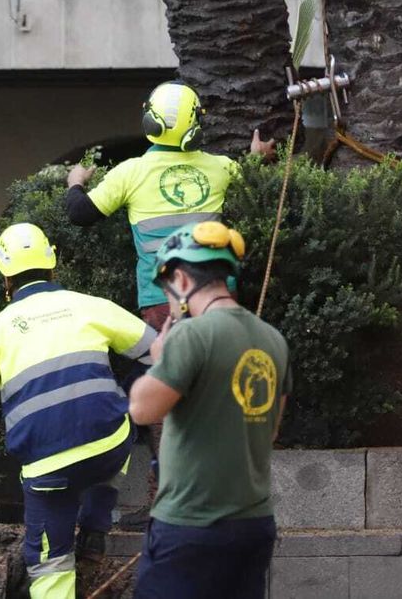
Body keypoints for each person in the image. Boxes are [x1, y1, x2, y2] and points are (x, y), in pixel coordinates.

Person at [0, 223, 157, 599]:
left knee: (50, 564)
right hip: (108, 445)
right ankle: (95, 527)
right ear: (52, 264)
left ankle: (66, 563)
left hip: (47, 469)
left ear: (4, 277)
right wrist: (126, 398)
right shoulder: (90, 305)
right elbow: (159, 352)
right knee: (111, 440)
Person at [128, 222, 290, 599]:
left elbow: (141, 409)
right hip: (254, 525)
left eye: (166, 289)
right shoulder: (273, 339)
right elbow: (272, 429)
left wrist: (159, 358)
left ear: (181, 280)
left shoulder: (190, 335)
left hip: (191, 526)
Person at [64, 80, 274, 333]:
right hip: (217, 295)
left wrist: (75, 181)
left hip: (162, 298)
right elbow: (250, 179)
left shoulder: (130, 173)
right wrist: (257, 158)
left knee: (174, 369)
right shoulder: (220, 167)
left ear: (150, 121)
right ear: (197, 122)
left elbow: (79, 213)